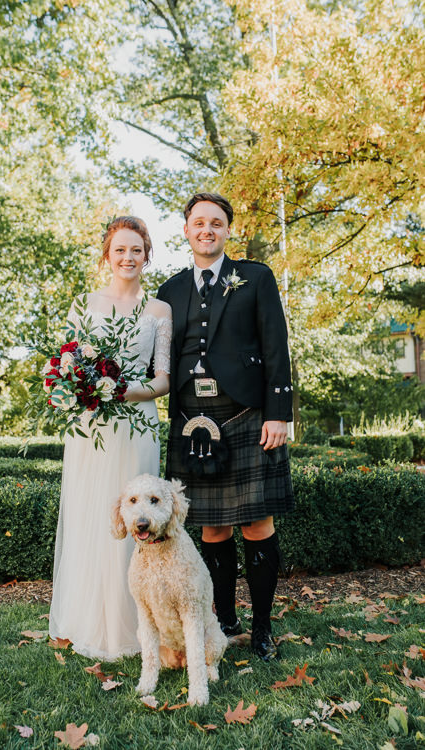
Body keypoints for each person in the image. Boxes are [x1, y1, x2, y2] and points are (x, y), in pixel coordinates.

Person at [157, 193, 294, 661]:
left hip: (249, 416)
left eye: (216, 222)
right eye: (199, 223)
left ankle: (260, 628)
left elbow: (276, 345)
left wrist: (279, 412)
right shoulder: (169, 291)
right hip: (193, 422)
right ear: (187, 230)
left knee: (257, 523)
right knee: (213, 528)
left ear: (228, 230)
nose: (207, 230)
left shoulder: (254, 277)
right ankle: (224, 618)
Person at [49, 216, 172, 661]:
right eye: (120, 250)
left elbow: (162, 381)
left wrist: (120, 390)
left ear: (146, 255)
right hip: (91, 429)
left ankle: (135, 628)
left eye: (136, 250)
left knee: (137, 520)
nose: (128, 258)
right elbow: (65, 366)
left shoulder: (159, 312)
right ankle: (88, 623)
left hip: (136, 424)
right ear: (107, 255)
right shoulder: (84, 305)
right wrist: (78, 387)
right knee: (92, 517)